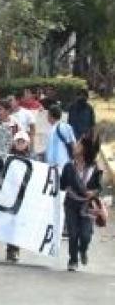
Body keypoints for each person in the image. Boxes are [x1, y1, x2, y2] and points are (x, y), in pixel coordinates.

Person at [60, 134, 102, 271]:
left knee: (85, 235)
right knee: (73, 234)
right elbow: (61, 185)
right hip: (71, 204)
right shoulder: (68, 167)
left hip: (87, 206)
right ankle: (73, 260)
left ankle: (83, 250)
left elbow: (99, 188)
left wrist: (93, 193)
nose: (75, 146)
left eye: (78, 144)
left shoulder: (95, 169)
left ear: (85, 150)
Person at [5, 131, 33, 263]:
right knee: (11, 223)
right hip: (10, 194)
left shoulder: (34, 159)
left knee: (20, 223)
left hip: (25, 195)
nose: (20, 144)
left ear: (28, 144)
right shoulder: (8, 157)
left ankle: (15, 249)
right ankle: (11, 248)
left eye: (23, 142)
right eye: (18, 141)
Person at [44, 104, 76, 170]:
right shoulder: (55, 128)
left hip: (61, 165)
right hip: (55, 165)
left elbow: (73, 145)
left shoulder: (64, 127)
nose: (46, 116)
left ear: (50, 115)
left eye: (47, 114)